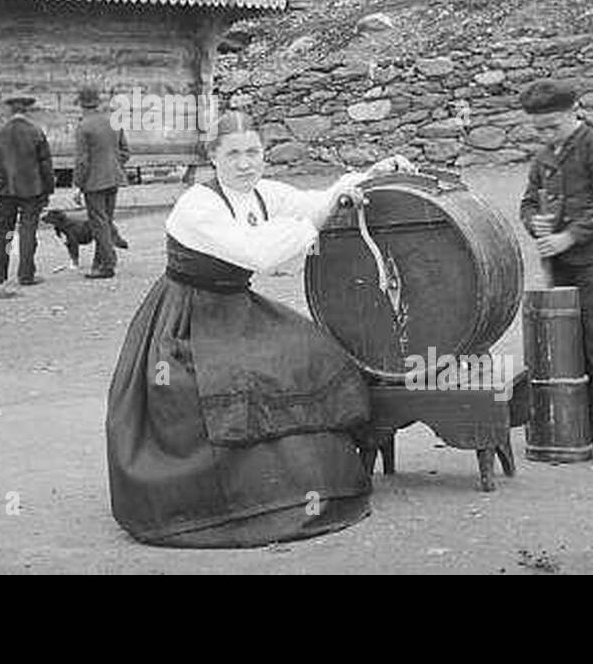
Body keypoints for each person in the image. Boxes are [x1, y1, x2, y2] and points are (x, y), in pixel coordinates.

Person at [106, 111, 416, 547]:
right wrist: (316, 222)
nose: (245, 163)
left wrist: (369, 177)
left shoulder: (262, 194)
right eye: (233, 154)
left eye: (253, 152)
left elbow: (317, 199)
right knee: (230, 380)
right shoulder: (198, 205)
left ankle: (312, 481)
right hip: (187, 318)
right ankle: (240, 500)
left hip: (236, 308)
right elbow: (258, 254)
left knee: (314, 352)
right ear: (212, 158)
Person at [519, 79, 593, 462]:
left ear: (574, 112)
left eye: (553, 125)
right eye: (539, 129)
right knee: (571, 346)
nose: (546, 134)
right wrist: (534, 221)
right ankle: (587, 425)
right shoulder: (543, 159)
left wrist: (570, 236)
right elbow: (527, 203)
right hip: (562, 265)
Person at [0, 90, 55, 286]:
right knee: (27, 232)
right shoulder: (36, 132)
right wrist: (48, 189)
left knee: (4, 233)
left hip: (6, 191)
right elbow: (46, 166)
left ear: (10, 110)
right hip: (32, 190)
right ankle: (26, 274)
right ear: (27, 110)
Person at [74, 86, 130, 279]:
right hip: (114, 178)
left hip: (93, 182)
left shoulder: (83, 126)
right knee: (105, 221)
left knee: (99, 223)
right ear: (97, 102)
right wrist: (114, 164)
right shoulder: (113, 121)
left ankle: (107, 264)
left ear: (81, 104)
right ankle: (99, 263)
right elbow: (125, 151)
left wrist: (78, 186)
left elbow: (82, 161)